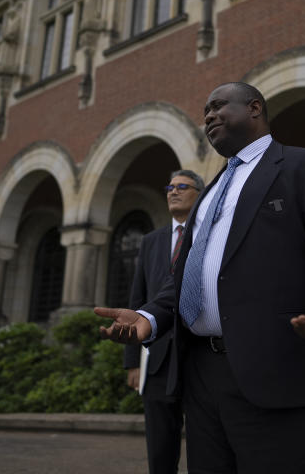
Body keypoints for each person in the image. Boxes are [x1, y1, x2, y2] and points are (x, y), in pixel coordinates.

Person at [95, 82, 305, 474]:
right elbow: (187, 278)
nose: (208, 116)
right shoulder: (210, 190)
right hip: (202, 377)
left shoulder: (303, 166)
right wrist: (150, 317)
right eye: (205, 111)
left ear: (254, 108)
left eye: (218, 106)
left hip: (278, 371)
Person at [122, 169, 203, 474]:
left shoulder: (208, 234)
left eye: (182, 186)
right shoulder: (151, 241)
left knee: (204, 441)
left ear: (200, 193)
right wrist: (132, 362)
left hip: (198, 355)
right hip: (156, 360)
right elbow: (137, 300)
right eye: (170, 186)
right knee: (160, 446)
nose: (173, 191)